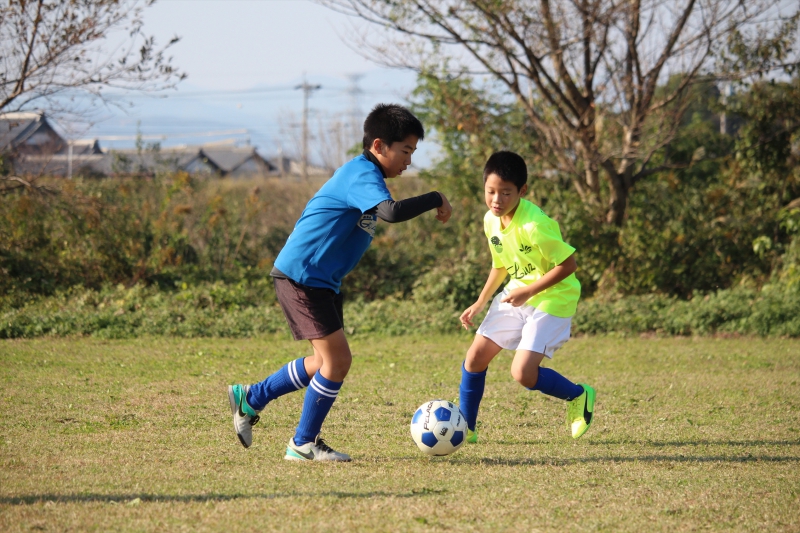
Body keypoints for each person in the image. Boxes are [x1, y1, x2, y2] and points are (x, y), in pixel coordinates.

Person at [227, 103, 452, 461]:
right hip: (303, 277)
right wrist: (436, 197)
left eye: (413, 152)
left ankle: (251, 397)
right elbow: (391, 213)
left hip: (321, 281)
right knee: (338, 360)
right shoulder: (361, 173)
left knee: (323, 362)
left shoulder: (367, 176)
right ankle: (303, 444)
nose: (409, 161)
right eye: (405, 151)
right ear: (378, 145)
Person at [458, 151, 594, 443]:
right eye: (491, 191)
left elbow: (569, 265)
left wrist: (530, 291)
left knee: (522, 373)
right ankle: (465, 428)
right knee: (475, 357)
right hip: (517, 292)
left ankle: (578, 395)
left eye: (506, 193)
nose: (497, 200)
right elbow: (500, 264)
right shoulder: (490, 220)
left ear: (522, 191)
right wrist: (480, 302)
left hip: (553, 297)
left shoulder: (535, 225)